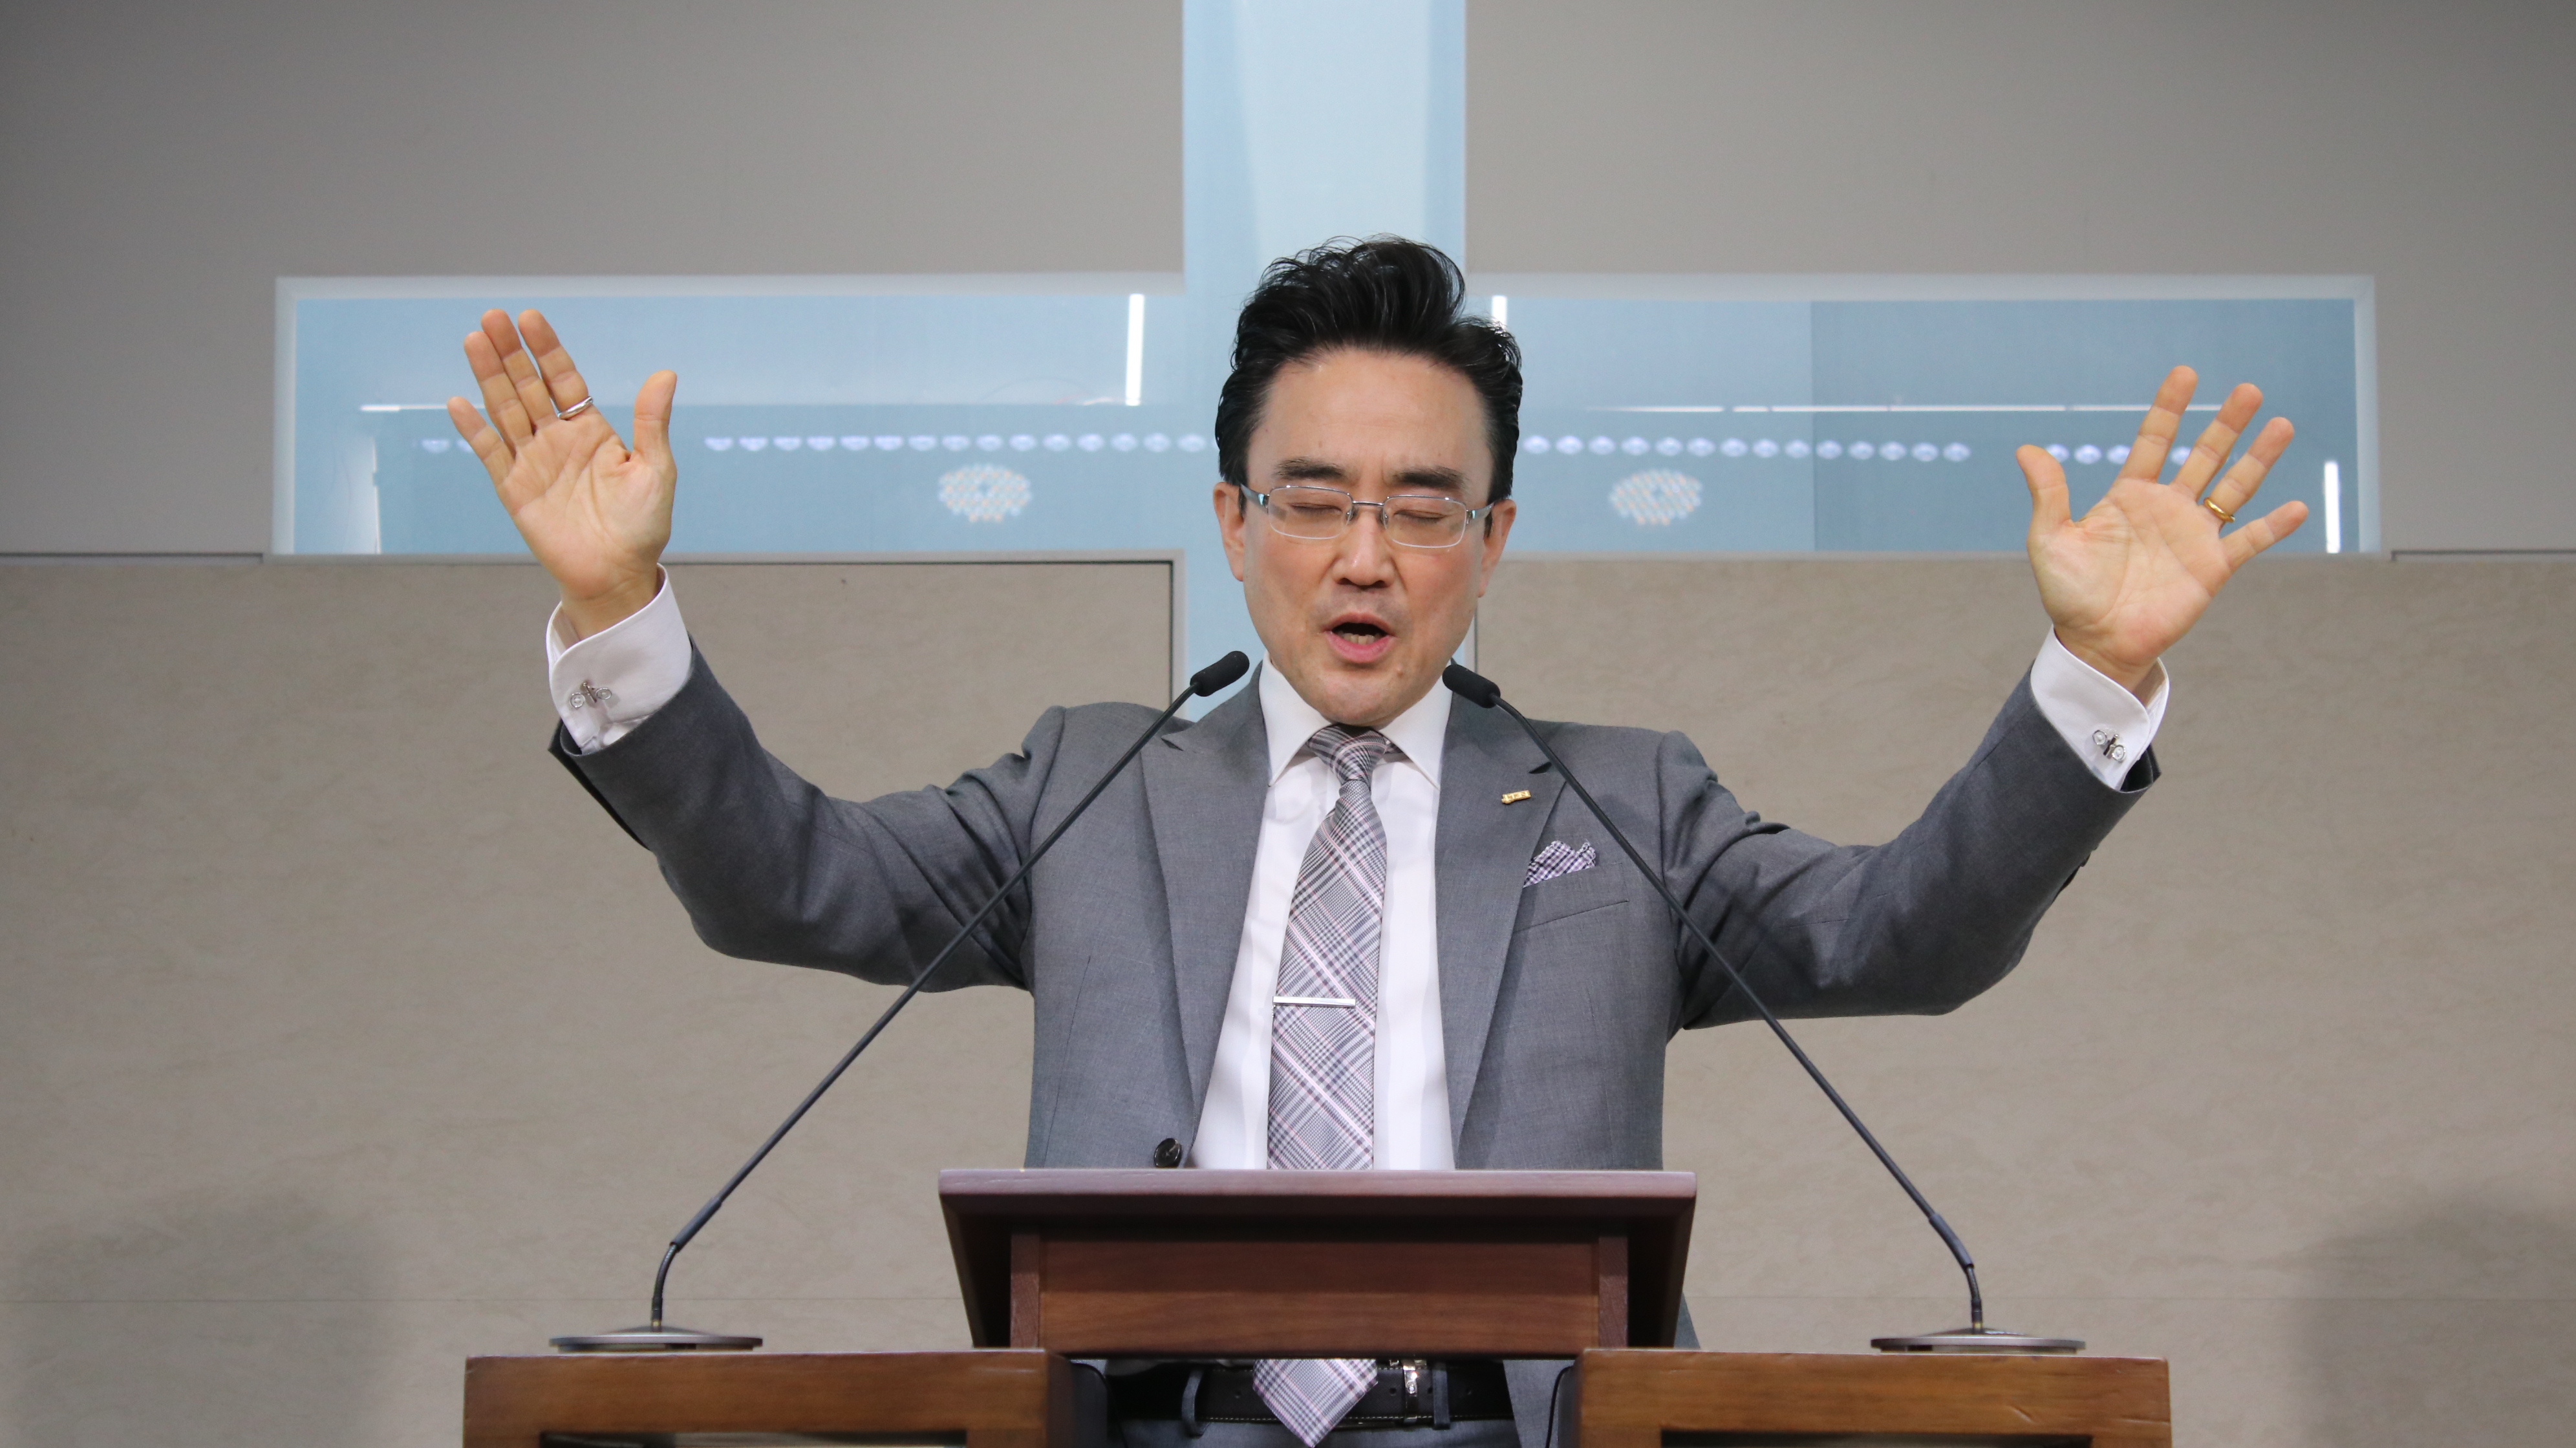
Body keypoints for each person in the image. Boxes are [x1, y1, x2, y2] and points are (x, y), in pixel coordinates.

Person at [447, 238, 2304, 1448]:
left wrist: (2093, 672)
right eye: (1314, 500)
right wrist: (620, 615)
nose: (1363, 558)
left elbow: (1907, 932)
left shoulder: (1624, 802)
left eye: (1422, 509)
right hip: (1145, 1425)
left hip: (1517, 1429)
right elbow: (788, 881)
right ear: (1233, 523)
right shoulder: (1092, 785)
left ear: (1492, 544)